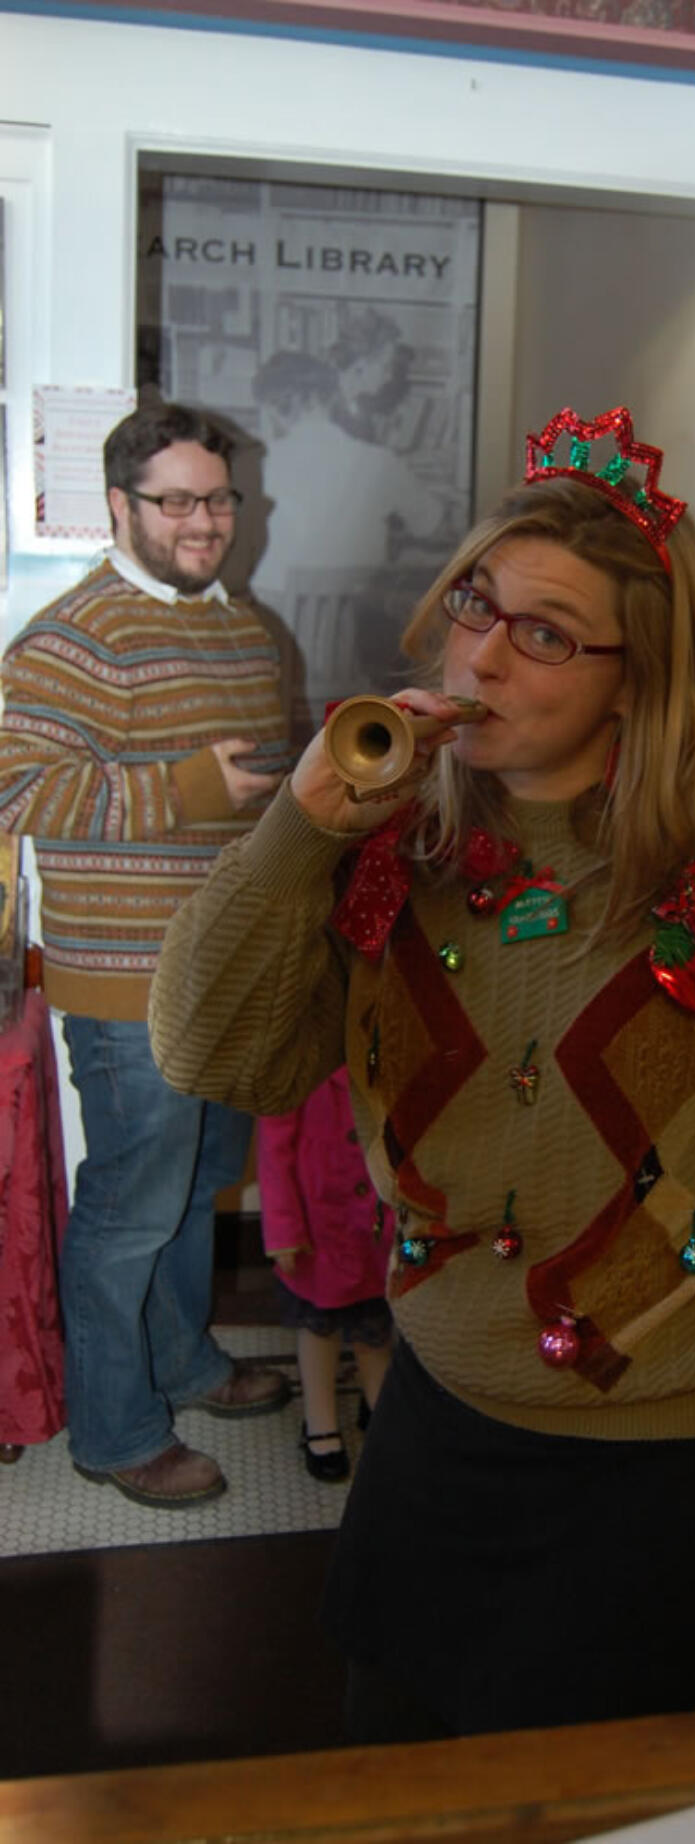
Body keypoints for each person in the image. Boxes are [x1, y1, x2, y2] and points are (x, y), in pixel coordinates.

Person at [149, 403, 695, 1739]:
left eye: (540, 635)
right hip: (440, 1425)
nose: (476, 658)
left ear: (633, 671)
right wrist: (291, 838)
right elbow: (213, 1051)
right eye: (472, 607)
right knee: (403, 1784)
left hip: (687, 1461)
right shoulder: (389, 827)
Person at [0, 401, 294, 1509]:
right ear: (119, 506)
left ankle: (183, 1361)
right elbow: (16, 786)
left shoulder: (244, 629)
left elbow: (253, 800)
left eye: (217, 496)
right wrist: (183, 789)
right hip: (126, 986)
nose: (204, 520)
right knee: (130, 1204)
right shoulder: (76, 634)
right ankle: (116, 1430)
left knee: (194, 1185)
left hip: (223, 976)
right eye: (176, 500)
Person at [258, 1069, 393, 1483]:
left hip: (375, 1221)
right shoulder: (299, 1063)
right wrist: (282, 1226)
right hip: (319, 1227)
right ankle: (319, 1420)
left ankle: (380, 1408)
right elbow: (274, 1145)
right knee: (319, 1329)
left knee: (376, 1328)